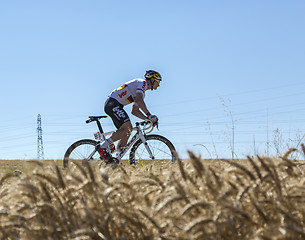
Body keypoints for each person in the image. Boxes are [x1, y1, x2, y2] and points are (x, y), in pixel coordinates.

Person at [96, 70, 161, 163]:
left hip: (115, 105)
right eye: (158, 82)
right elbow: (139, 101)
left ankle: (116, 161)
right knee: (128, 129)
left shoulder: (142, 92)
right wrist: (150, 115)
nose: (158, 85)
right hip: (113, 104)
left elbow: (135, 111)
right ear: (152, 80)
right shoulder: (142, 83)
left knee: (126, 133)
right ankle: (102, 146)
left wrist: (147, 120)